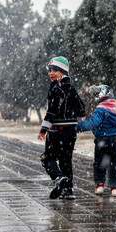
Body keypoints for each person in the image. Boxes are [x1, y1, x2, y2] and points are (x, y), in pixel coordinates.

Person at [38, 57, 85, 200]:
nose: (51, 73)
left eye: (55, 70)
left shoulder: (56, 89)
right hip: (70, 131)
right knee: (66, 159)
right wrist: (79, 123)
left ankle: (58, 178)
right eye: (50, 70)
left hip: (57, 130)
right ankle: (68, 190)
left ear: (63, 72)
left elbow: (52, 111)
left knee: (47, 158)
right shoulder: (71, 88)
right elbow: (81, 107)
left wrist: (43, 129)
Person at [77, 85, 116, 197]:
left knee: (100, 163)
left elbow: (92, 123)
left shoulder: (100, 110)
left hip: (102, 140)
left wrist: (78, 126)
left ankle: (99, 184)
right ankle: (114, 187)